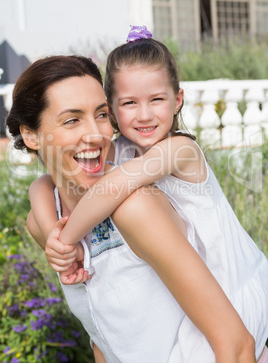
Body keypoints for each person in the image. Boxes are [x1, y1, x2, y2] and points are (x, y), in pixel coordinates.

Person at [28, 27, 268, 362]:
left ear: (177, 100)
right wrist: (50, 229)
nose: (144, 114)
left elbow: (110, 189)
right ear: (113, 111)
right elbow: (43, 183)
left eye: (156, 99)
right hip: (198, 295)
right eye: (129, 103)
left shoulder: (180, 149)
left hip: (233, 284)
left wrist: (65, 241)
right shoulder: (124, 147)